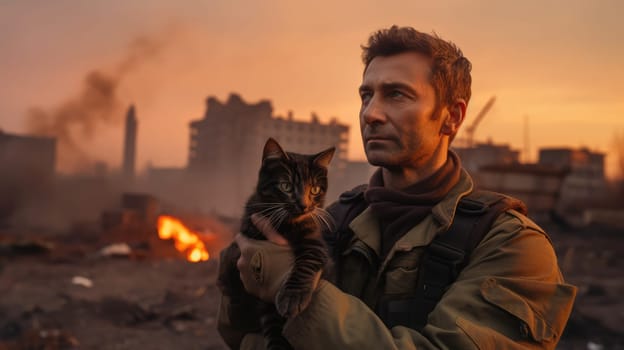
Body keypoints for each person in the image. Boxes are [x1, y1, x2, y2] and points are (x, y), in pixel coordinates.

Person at [217, 25, 577, 349]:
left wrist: (291, 284)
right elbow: (244, 336)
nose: (371, 113)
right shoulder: (333, 221)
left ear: (452, 116)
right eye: (366, 95)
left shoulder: (512, 246)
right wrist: (240, 279)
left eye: (397, 95)